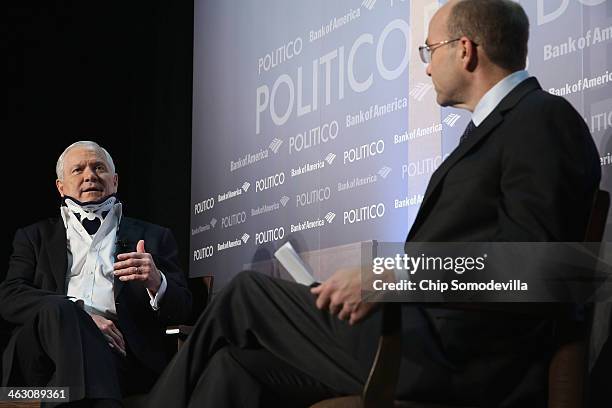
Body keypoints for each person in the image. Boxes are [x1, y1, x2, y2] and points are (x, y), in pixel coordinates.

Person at [145, 0, 601, 406]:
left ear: (465, 50)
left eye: (430, 51)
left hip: (458, 360)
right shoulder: (503, 127)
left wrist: (390, 274)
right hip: (421, 340)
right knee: (234, 367)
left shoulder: (541, 117)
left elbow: (536, 267)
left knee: (247, 291)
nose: (425, 68)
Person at [0, 141, 192, 407]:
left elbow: (183, 309)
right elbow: (10, 296)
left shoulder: (154, 238)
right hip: (39, 363)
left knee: (85, 372)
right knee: (61, 309)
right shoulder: (34, 237)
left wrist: (156, 282)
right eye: (78, 170)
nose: (89, 175)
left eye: (98, 167)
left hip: (118, 359)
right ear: (61, 186)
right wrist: (80, 316)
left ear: (114, 182)